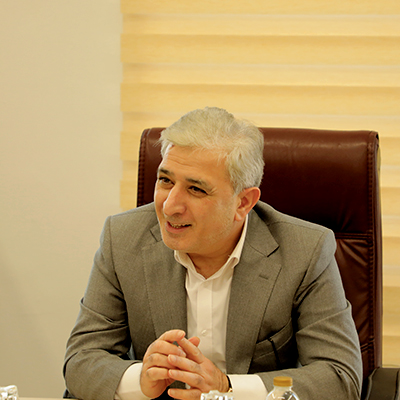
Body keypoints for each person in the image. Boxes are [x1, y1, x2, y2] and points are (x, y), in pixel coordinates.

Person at [63, 107, 363, 400]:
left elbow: (340, 377)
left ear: (243, 203)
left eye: (196, 189)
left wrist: (226, 387)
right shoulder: (123, 238)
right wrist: (141, 379)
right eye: (166, 180)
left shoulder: (305, 250)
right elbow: (81, 360)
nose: (170, 206)